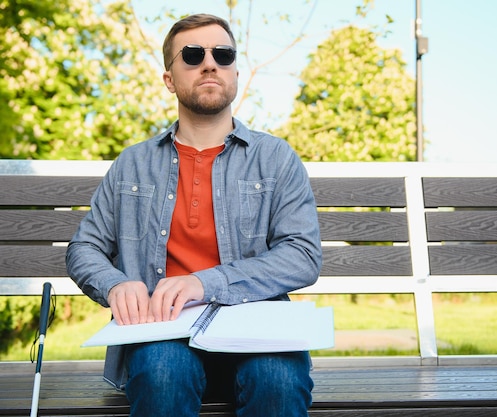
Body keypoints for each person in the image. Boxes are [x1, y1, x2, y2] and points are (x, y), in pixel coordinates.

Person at [66, 13, 322, 417]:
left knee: (276, 380)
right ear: (169, 79)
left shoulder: (276, 158)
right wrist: (115, 285)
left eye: (222, 54)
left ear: (234, 72)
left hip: (257, 325)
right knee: (161, 375)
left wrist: (205, 283)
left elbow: (303, 255)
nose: (209, 63)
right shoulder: (132, 164)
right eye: (192, 54)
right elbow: (84, 248)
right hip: (164, 331)